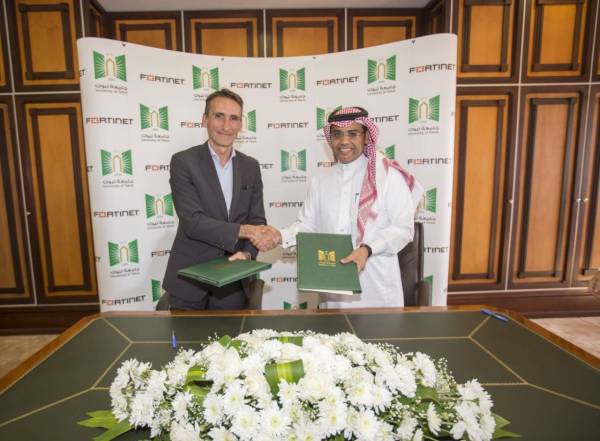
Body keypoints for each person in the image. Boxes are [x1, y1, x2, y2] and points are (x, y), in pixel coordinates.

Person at [256, 106, 423, 308]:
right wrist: (280, 236)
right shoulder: (321, 181)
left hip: (377, 294)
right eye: (337, 134)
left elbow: (403, 229)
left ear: (365, 137)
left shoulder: (388, 177)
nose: (344, 141)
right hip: (332, 296)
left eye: (352, 134)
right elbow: (307, 226)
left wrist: (367, 249)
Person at [162, 89, 267, 310]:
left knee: (231, 334)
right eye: (219, 116)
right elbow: (192, 222)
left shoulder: (251, 167)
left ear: (241, 124)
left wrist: (247, 253)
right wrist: (244, 230)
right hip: (189, 279)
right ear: (205, 120)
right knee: (184, 333)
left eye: (234, 118)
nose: (226, 126)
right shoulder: (183, 162)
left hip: (232, 282)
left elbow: (257, 219)